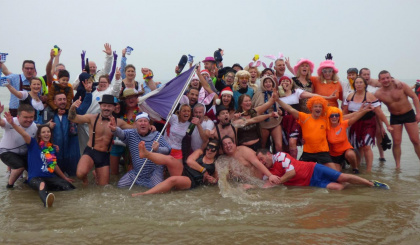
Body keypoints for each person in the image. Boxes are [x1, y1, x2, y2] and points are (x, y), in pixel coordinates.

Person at [5, 113, 75, 207]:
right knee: (42, 184)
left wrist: (64, 178)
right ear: (39, 135)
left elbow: (54, 166)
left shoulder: (52, 148)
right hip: (35, 178)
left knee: (69, 186)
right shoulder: (33, 144)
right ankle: (46, 203)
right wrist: (13, 124)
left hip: (50, 177)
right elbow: (23, 133)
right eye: (43, 132)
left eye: (48, 132)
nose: (46, 134)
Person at [68, 94, 132, 186]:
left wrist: (150, 126)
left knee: (103, 187)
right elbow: (72, 118)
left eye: (109, 106)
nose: (106, 108)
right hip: (91, 151)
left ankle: (96, 172)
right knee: (80, 173)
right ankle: (85, 179)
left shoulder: (118, 122)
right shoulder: (91, 118)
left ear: (114, 108)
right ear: (100, 106)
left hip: (104, 155)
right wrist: (72, 107)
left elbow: (133, 128)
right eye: (104, 105)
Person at [255, 149, 390, 190]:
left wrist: (278, 181)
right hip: (311, 183)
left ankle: (371, 183)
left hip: (314, 169)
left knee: (342, 177)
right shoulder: (268, 172)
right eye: (259, 161)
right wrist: (253, 188)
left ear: (269, 154)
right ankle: (358, 185)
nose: (262, 162)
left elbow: (292, 173)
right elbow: (266, 184)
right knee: (339, 188)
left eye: (262, 159)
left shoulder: (280, 156)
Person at [131, 139, 219, 196]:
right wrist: (203, 170)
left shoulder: (216, 163)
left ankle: (144, 194)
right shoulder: (200, 152)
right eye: (208, 147)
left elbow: (217, 181)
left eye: (213, 149)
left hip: (192, 180)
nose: (209, 150)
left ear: (217, 151)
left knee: (172, 179)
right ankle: (146, 154)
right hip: (185, 170)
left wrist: (212, 180)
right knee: (170, 159)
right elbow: (189, 161)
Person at [342, 76, 392, 172]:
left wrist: (387, 124)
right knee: (356, 146)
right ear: (354, 85)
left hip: (368, 123)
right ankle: (358, 167)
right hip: (354, 124)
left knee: (367, 146)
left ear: (365, 84)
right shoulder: (350, 96)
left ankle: (368, 171)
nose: (359, 84)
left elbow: (379, 112)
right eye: (357, 82)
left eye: (361, 82)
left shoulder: (370, 96)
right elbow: (345, 112)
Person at [110, 112, 172, 188]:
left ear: (149, 124)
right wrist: (115, 129)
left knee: (157, 190)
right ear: (136, 124)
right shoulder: (131, 133)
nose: (143, 123)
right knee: (121, 186)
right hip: (137, 172)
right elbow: (121, 134)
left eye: (145, 121)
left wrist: (158, 149)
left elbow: (168, 149)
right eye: (140, 121)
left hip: (154, 172)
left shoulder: (157, 135)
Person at [276, 96, 338, 170]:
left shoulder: (325, 119)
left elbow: (341, 117)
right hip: (308, 152)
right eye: (315, 106)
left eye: (320, 107)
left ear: (323, 108)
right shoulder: (304, 117)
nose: (318, 108)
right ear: (311, 108)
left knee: (335, 173)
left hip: (323, 152)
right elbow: (290, 109)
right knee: (299, 172)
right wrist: (277, 100)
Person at [374, 70, 420, 169]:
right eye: (383, 78)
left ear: (391, 78)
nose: (386, 80)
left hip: (409, 114)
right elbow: (378, 111)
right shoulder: (378, 94)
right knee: (397, 142)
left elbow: (414, 97)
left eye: (387, 77)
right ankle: (397, 166)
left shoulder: (401, 85)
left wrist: (418, 113)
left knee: (415, 140)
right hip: (394, 117)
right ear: (379, 80)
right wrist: (381, 126)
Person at [0, 104, 38, 188]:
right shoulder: (11, 121)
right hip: (6, 151)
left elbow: (37, 143)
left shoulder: (34, 127)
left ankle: (26, 183)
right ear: (18, 116)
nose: (29, 120)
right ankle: (10, 185)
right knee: (19, 167)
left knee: (36, 168)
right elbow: (1, 122)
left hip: (24, 152)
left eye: (31, 117)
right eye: (25, 117)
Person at [327, 106, 373, 173]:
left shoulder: (343, 124)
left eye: (336, 115)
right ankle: (342, 164)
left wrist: (365, 111)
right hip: (334, 154)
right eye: (332, 115)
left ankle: (355, 168)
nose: (334, 117)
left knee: (350, 154)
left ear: (339, 116)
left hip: (346, 150)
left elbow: (355, 118)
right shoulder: (326, 128)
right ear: (328, 117)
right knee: (336, 172)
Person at [251, 75, 283, 152]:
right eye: (266, 82)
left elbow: (278, 105)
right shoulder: (258, 94)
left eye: (270, 82)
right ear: (262, 84)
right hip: (263, 122)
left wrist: (279, 111)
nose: (268, 84)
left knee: (279, 146)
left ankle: (278, 162)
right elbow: (255, 111)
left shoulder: (275, 93)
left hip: (275, 121)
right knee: (263, 145)